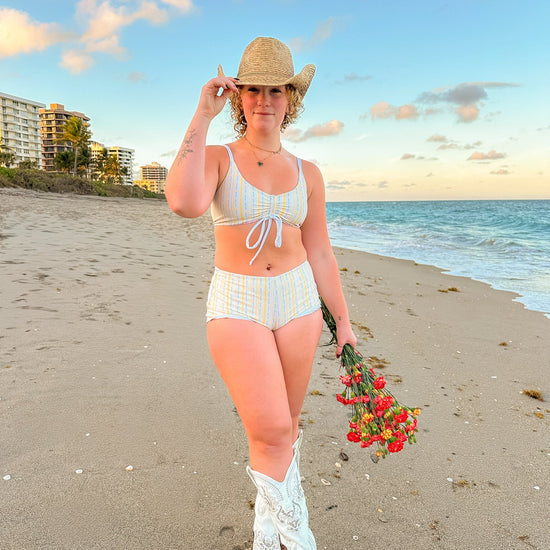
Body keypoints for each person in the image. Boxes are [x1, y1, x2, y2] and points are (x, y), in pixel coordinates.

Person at [165, 36, 356, 550]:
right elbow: (183, 202)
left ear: (291, 99)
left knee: (286, 427)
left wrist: (343, 322)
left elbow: (320, 252)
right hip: (238, 303)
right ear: (238, 95)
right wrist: (202, 115)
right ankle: (300, 539)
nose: (264, 100)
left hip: (298, 303)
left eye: (276, 90)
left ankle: (267, 537)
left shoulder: (308, 173)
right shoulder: (218, 158)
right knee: (271, 431)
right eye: (253, 89)